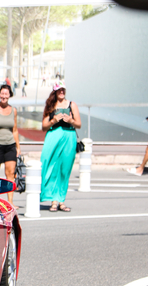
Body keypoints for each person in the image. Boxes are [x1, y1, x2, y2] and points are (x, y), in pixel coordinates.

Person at [40, 81, 82, 212]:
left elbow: (79, 124)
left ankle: (61, 200)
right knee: (50, 166)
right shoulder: (50, 105)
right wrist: (54, 120)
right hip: (53, 136)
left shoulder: (72, 104)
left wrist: (71, 121)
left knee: (65, 169)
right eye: (59, 90)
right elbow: (43, 126)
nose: (62, 92)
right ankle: (53, 200)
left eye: (63, 89)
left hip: (69, 137)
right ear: (55, 91)